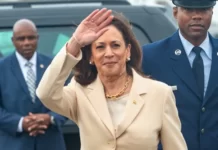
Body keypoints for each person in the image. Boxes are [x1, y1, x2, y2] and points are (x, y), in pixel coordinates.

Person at [36, 8, 187, 150]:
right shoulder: (80, 91)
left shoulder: (159, 93)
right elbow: (45, 93)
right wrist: (75, 42)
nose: (109, 53)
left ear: (127, 51)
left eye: (115, 45)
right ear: (91, 57)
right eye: (100, 47)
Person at [142, 0, 218, 149]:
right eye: (189, 10)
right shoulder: (150, 56)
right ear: (175, 13)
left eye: (203, 10)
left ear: (212, 13)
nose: (197, 16)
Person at [0, 19, 67, 150]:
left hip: (50, 143)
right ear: (13, 40)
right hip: (13, 144)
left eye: (31, 38)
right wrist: (20, 122)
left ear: (38, 38)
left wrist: (50, 118)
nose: (27, 43)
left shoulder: (53, 65)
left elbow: (68, 98)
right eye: (21, 39)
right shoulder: (2, 68)